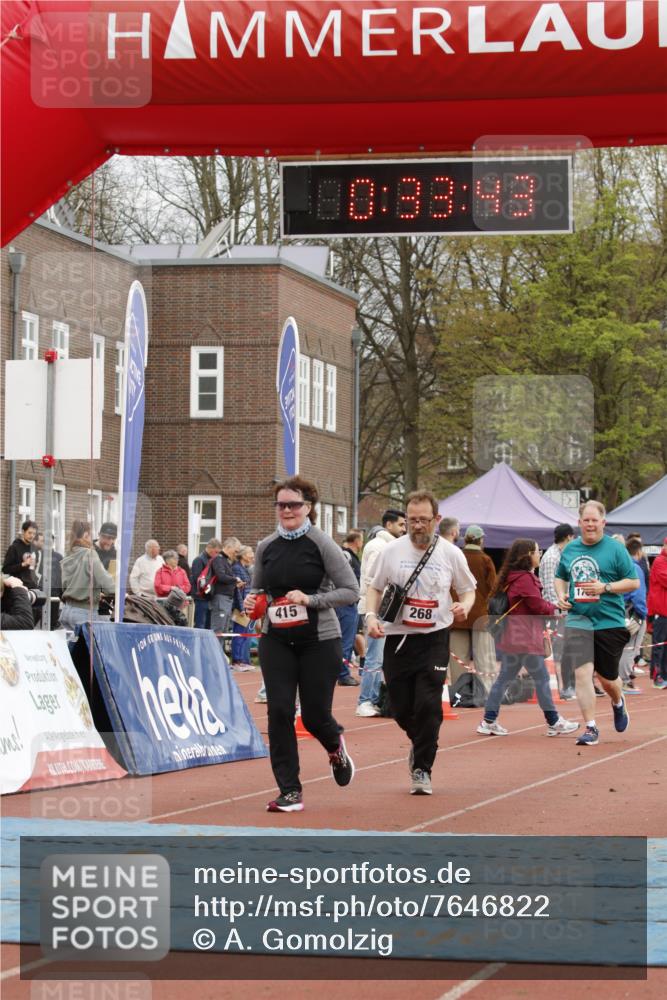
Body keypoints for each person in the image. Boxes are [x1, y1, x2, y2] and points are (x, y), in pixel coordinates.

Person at [244, 476, 359, 813]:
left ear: (308, 507)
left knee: (313, 716)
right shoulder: (267, 546)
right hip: (276, 638)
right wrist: (253, 604)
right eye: (281, 505)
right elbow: (258, 591)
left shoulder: (322, 544)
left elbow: (350, 591)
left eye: (294, 504)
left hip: (318, 641)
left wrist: (309, 599)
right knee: (279, 711)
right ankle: (289, 791)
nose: (287, 510)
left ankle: (335, 746)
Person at [365, 490, 477, 795]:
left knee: (429, 705)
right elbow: (374, 588)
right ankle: (420, 742)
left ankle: (422, 768)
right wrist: (371, 616)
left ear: (436, 520)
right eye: (411, 520)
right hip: (398, 637)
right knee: (400, 708)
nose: (417, 526)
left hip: (434, 638)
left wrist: (464, 605)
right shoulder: (391, 551)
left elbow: (468, 590)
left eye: (423, 520)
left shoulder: (451, 553)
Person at [555, 501, 640, 746]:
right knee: (582, 673)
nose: (590, 525)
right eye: (586, 520)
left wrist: (606, 587)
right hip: (578, 619)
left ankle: (618, 701)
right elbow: (561, 576)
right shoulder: (570, 549)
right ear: (580, 523)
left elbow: (633, 582)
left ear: (603, 522)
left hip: (609, 621)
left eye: (595, 520)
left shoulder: (615, 549)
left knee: (608, 679)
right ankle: (591, 727)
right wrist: (560, 594)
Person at [477, 539, 579, 738]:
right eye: (536, 551)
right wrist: (558, 608)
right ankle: (554, 721)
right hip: (525, 636)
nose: (539, 554)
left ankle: (488, 720)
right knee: (541, 678)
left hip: (512, 636)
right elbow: (538, 606)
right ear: (528, 555)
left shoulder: (511, 577)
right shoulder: (525, 579)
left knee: (504, 678)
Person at [356, 508, 407, 717]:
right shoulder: (378, 547)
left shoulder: (393, 547)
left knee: (386, 657)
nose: (405, 529)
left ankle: (379, 698)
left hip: (389, 611)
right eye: (401, 525)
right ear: (389, 525)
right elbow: (373, 581)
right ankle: (366, 700)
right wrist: (375, 611)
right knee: (374, 657)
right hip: (377, 610)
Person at [448, 524, 497, 690]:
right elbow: (493, 588)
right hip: (480, 615)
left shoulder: (457, 556)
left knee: (458, 658)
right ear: (481, 540)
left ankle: (458, 690)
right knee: (484, 657)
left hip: (457, 613)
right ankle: (487, 689)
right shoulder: (485, 559)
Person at [539, 523, 576, 698]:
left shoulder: (562, 555)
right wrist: (558, 612)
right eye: (574, 537)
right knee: (557, 653)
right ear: (569, 537)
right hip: (555, 614)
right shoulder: (552, 557)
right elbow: (549, 589)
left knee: (568, 651)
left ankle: (567, 687)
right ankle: (558, 689)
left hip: (563, 612)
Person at [59, 521, 115, 630]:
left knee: (72, 646)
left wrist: (96, 593)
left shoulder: (69, 554)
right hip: (84, 613)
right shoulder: (89, 553)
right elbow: (105, 581)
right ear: (86, 535)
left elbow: (66, 585)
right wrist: (119, 593)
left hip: (67, 611)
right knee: (93, 646)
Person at [618, 538, 648, 692]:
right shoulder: (636, 569)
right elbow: (638, 595)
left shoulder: (621, 566)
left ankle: (620, 680)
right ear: (639, 552)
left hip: (620, 611)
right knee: (630, 648)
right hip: (632, 612)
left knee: (622, 647)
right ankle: (624, 681)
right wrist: (642, 615)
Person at [336, 530, 364, 686]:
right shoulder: (347, 556)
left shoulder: (347, 555)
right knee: (346, 640)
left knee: (346, 639)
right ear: (357, 541)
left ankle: (340, 672)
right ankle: (343, 674)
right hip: (346, 603)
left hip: (345, 601)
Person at [209, 537, 242, 647]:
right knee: (218, 631)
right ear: (228, 547)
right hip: (220, 599)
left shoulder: (226, 561)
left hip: (226, 600)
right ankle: (213, 660)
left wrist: (235, 583)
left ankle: (219, 658)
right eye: (236, 551)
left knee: (223, 631)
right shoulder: (218, 559)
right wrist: (235, 579)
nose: (236, 554)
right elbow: (221, 576)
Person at [231, 545, 255, 671]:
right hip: (240, 607)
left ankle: (243, 660)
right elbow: (238, 591)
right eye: (251, 552)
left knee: (245, 634)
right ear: (244, 555)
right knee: (239, 633)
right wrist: (241, 608)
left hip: (247, 606)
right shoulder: (237, 568)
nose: (253, 555)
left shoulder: (244, 569)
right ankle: (237, 661)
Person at [648, 536, 667, 689]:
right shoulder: (660, 561)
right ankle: (657, 675)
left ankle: (664, 674)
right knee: (659, 645)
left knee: (665, 645)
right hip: (661, 611)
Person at [190, 538, 222, 629]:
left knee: (208, 624)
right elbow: (197, 579)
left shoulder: (210, 559)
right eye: (216, 552)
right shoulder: (199, 560)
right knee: (200, 624)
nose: (217, 555)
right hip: (201, 597)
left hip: (208, 596)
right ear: (210, 548)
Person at [2, 520, 39, 589]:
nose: (32, 536)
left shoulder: (34, 549)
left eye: (34, 534)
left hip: (33, 586)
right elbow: (5, 569)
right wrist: (23, 564)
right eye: (29, 533)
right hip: (18, 586)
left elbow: (34, 569)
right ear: (23, 532)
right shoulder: (14, 547)